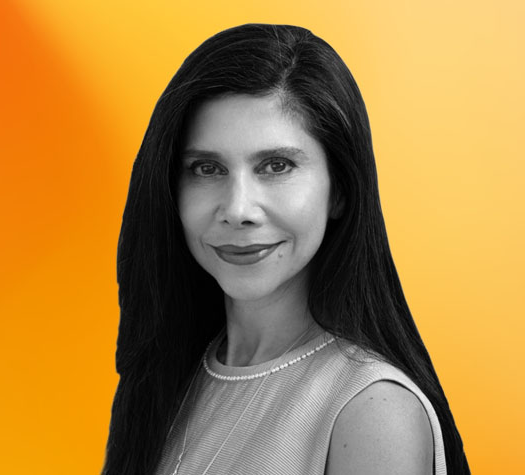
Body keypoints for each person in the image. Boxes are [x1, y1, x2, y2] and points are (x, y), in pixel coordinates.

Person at [103, 23, 469, 475]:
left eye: (276, 166)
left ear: (339, 191)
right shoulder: (170, 378)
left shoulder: (372, 412)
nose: (237, 210)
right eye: (207, 168)